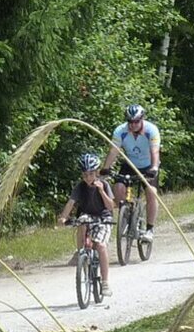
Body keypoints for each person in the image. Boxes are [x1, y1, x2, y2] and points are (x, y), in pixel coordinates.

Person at [58, 152, 115, 297]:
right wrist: (63, 217)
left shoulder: (104, 185)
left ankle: (105, 282)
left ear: (96, 173)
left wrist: (101, 190)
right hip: (87, 215)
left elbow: (110, 206)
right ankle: (81, 251)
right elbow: (71, 203)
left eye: (91, 174)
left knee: (100, 246)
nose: (88, 178)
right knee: (81, 221)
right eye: (85, 175)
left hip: (103, 217)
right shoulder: (80, 187)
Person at [102, 104, 161, 243]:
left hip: (148, 165)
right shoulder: (120, 131)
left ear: (142, 119)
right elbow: (114, 151)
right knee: (118, 188)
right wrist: (105, 168)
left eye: (136, 121)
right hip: (130, 164)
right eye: (130, 122)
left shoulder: (151, 130)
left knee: (151, 192)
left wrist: (154, 168)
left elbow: (155, 151)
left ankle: (149, 229)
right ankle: (127, 215)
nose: (133, 125)